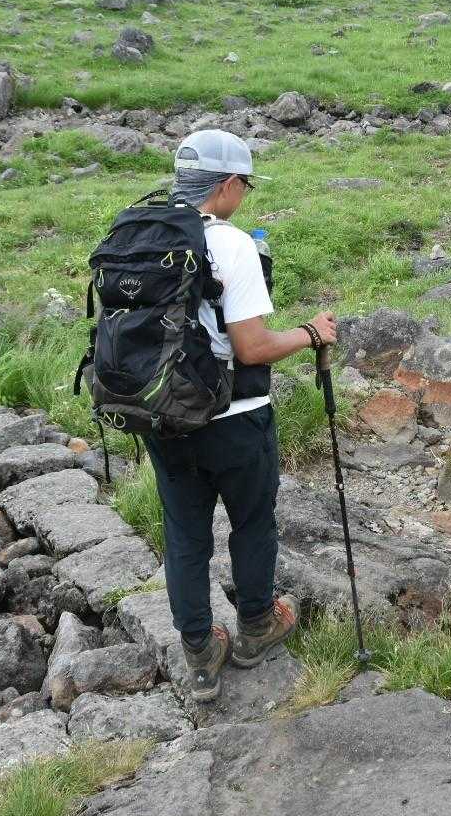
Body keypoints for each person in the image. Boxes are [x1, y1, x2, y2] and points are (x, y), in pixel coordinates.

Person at [142, 129, 337, 703]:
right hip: (234, 416)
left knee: (185, 534)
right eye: (245, 185)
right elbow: (251, 348)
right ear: (227, 184)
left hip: (161, 412)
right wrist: (310, 334)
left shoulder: (142, 230)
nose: (245, 195)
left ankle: (200, 653)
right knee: (251, 522)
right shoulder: (230, 244)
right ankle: (256, 627)